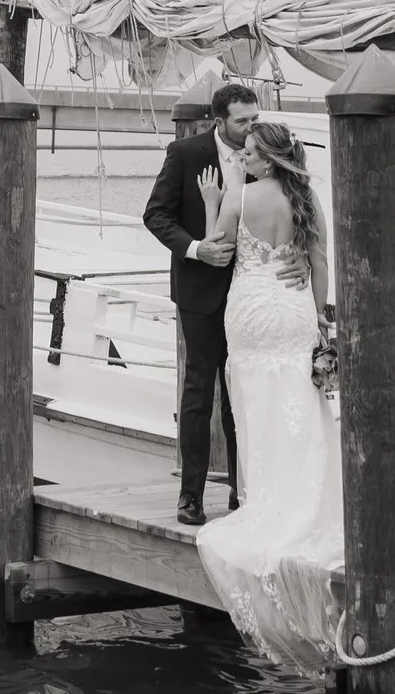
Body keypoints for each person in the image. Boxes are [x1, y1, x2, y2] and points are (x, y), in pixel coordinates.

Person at [191, 119, 346, 675]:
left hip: (252, 312)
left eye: (253, 153)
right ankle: (307, 498)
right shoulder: (306, 197)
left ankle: (265, 502)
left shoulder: (242, 192)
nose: (246, 158)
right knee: (302, 406)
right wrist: (322, 318)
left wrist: (213, 200)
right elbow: (322, 262)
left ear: (270, 158)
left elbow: (217, 246)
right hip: (297, 307)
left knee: (255, 405)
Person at [142, 80, 260, 524]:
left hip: (250, 291)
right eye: (241, 120)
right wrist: (195, 248)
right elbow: (155, 215)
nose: (250, 128)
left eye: (255, 119)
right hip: (199, 290)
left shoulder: (263, 155)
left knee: (242, 394)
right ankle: (189, 496)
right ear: (220, 120)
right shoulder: (186, 154)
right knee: (199, 394)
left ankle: (241, 491)